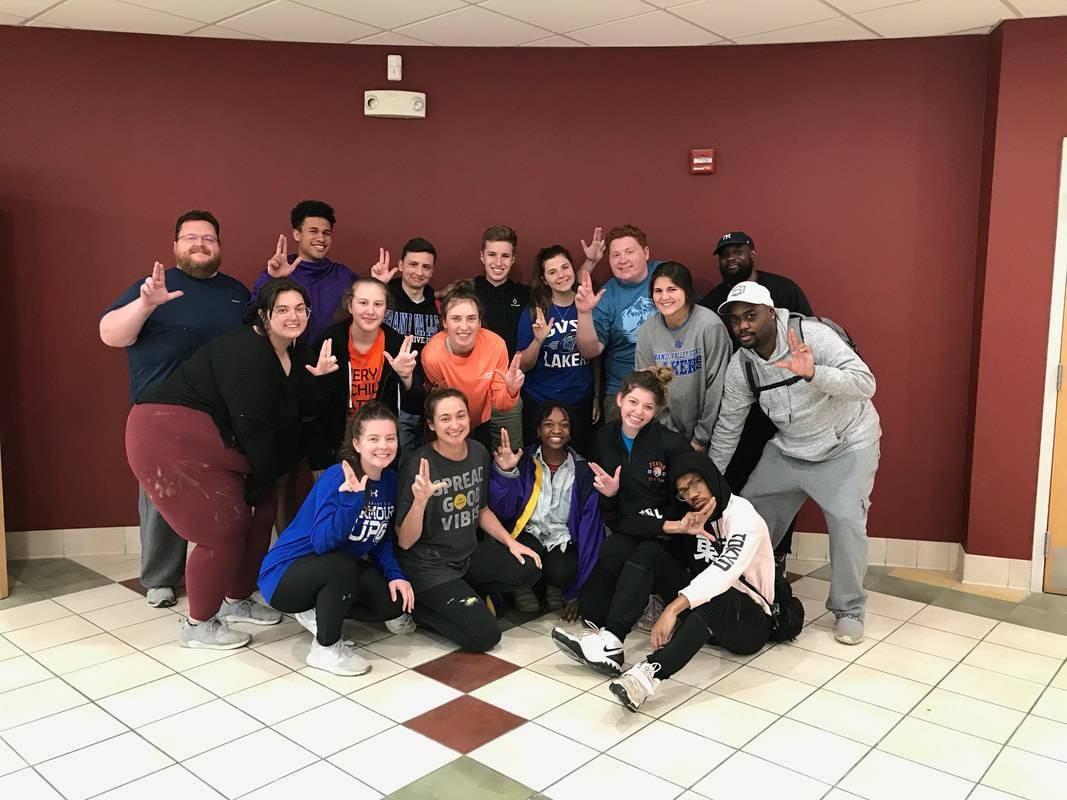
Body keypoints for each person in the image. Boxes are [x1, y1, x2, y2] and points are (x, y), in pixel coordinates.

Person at [125, 278, 339, 649]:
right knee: (223, 527)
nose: (293, 316)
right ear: (264, 315)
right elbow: (254, 426)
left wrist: (317, 384)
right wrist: (264, 476)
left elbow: (299, 418)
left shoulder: (295, 353)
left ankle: (237, 597)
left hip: (222, 441)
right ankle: (198, 624)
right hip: (167, 435)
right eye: (282, 309)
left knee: (263, 508)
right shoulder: (247, 351)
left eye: (300, 309)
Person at [710, 281, 880, 644]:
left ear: (771, 313)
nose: (742, 325)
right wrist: (710, 479)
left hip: (846, 444)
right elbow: (728, 427)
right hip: (790, 448)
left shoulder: (812, 337)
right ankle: (744, 590)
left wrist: (815, 372)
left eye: (750, 315)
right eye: (736, 319)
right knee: (748, 514)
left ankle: (849, 609)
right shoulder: (742, 367)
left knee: (846, 521)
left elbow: (865, 384)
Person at [100, 210, 248, 609]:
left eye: (208, 238)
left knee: (225, 495)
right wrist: (145, 305)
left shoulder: (237, 292)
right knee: (161, 495)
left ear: (219, 245)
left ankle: (219, 573)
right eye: (191, 237)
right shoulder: (152, 287)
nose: (200, 244)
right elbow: (110, 334)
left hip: (220, 415)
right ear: (176, 245)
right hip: (160, 415)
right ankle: (161, 578)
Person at [608, 451, 776, 711]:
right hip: (703, 614)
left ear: (711, 478)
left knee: (720, 594)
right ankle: (611, 639)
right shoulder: (692, 515)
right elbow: (632, 522)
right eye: (683, 491)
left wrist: (672, 609)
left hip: (747, 623)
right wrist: (681, 528)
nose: (692, 494)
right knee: (650, 552)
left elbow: (724, 572)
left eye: (696, 482)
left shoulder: (744, 517)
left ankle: (649, 674)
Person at [550, 368, 691, 675]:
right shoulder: (605, 437)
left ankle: (613, 642)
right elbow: (608, 510)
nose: (638, 412)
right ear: (619, 400)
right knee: (593, 609)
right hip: (627, 529)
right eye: (633, 402)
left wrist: (654, 523)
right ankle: (608, 629)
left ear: (657, 411)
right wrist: (611, 495)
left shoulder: (671, 444)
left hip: (665, 537)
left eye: (648, 407)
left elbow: (682, 505)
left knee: (640, 552)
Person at [258, 403, 415, 677]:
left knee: (390, 604)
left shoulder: (391, 481)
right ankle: (325, 648)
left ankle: (320, 609)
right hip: (284, 575)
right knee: (343, 566)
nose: (383, 446)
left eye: (390, 438)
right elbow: (322, 543)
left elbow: (381, 538)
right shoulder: (338, 476)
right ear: (357, 443)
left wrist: (395, 575)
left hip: (334, 566)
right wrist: (351, 502)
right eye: (374, 439)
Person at [394, 389, 542, 651]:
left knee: (529, 567)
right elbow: (405, 542)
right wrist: (420, 501)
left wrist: (510, 542)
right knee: (485, 635)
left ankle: (462, 593)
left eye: (460, 416)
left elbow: (482, 510)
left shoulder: (477, 451)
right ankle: (415, 608)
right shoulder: (418, 465)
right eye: (445, 418)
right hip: (428, 566)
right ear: (431, 424)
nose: (455, 425)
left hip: (466, 556)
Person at [699, 231, 813, 568]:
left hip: (785, 406)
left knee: (785, 486)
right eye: (724, 254)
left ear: (753, 253)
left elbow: (807, 337)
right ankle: (736, 551)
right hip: (737, 406)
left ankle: (776, 554)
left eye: (738, 251)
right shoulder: (712, 303)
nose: (731, 258)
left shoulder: (784, 290)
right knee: (738, 479)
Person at [489, 403, 605, 621]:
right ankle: (523, 588)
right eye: (548, 424)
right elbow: (502, 510)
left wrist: (574, 593)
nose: (556, 430)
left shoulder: (583, 471)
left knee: (562, 571)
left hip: (561, 539)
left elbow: (590, 533)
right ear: (538, 430)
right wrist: (506, 473)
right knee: (522, 563)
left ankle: (555, 586)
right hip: (527, 533)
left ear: (571, 432)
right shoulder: (523, 461)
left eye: (564, 425)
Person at [307, 277, 422, 475]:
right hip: (337, 447)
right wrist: (319, 459)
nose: (370, 311)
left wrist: (407, 378)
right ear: (349, 305)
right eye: (363, 303)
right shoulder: (329, 343)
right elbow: (311, 411)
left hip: (381, 446)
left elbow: (416, 406)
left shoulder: (397, 345)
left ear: (386, 309)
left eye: (378, 304)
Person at [249, 199, 397, 346]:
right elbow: (250, 316)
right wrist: (274, 280)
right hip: (286, 356)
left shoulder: (344, 276)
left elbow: (366, 312)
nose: (321, 238)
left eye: (326, 233)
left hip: (333, 357)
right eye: (313, 231)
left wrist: (378, 284)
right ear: (297, 234)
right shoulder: (277, 273)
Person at [636, 261, 731, 451]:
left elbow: (717, 387)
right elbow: (647, 387)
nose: (664, 297)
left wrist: (701, 438)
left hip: (710, 432)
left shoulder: (710, 325)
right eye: (658, 291)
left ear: (686, 291)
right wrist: (670, 436)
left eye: (672, 289)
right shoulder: (647, 331)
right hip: (664, 432)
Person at [420, 282, 525, 451]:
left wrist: (511, 390)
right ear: (445, 322)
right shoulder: (432, 355)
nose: (464, 326)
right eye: (456, 318)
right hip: (452, 420)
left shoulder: (495, 345)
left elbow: (501, 404)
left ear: (479, 322)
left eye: (471, 318)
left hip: (483, 416)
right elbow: (442, 405)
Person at [516, 245, 599, 456]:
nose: (561, 275)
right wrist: (538, 341)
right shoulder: (535, 311)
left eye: (565, 267)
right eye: (552, 272)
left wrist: (597, 396)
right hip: (540, 401)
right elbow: (522, 365)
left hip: (580, 400)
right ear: (544, 279)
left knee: (579, 462)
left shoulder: (588, 304)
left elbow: (597, 357)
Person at [575, 225, 658, 423]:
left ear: (646, 253)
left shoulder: (665, 274)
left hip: (667, 384)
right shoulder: (605, 296)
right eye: (616, 255)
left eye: (629, 252)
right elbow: (590, 351)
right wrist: (584, 313)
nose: (623, 260)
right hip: (624, 390)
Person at [383, 237, 441, 460]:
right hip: (392, 400)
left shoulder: (437, 307)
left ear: (432, 270)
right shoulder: (384, 299)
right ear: (400, 265)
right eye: (413, 264)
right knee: (395, 463)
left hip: (427, 400)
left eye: (426, 267)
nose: (419, 272)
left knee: (426, 464)